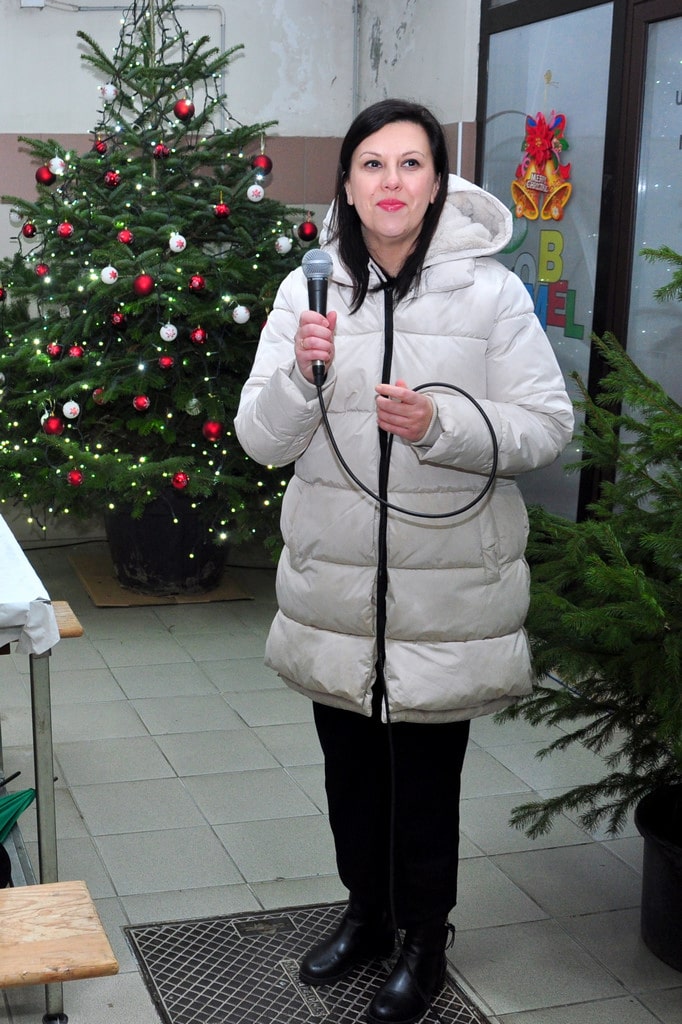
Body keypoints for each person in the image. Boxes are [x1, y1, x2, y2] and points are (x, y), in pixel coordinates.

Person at [235, 98, 574, 1024]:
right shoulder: (306, 290)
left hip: (445, 592)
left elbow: (547, 426)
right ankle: (367, 917)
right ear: (347, 185)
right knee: (350, 774)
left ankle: (425, 939)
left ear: (437, 184)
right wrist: (300, 380)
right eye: (372, 164)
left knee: (425, 785)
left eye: (411, 163)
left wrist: (441, 425)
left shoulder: (490, 293)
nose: (391, 181)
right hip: (338, 591)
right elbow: (260, 441)